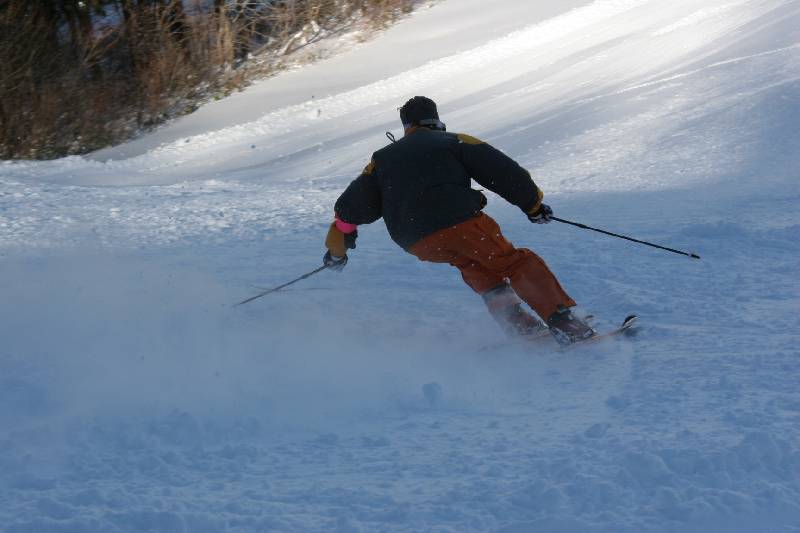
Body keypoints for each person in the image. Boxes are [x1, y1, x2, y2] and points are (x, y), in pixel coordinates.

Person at [322, 96, 594, 345]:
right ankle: (565, 323)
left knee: (473, 263)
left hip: (416, 241)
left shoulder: (381, 160)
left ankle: (518, 324)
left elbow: (349, 210)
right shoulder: (454, 141)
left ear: (406, 126)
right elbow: (505, 173)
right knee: (514, 262)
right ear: (436, 120)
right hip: (458, 223)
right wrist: (533, 206)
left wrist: (337, 251)